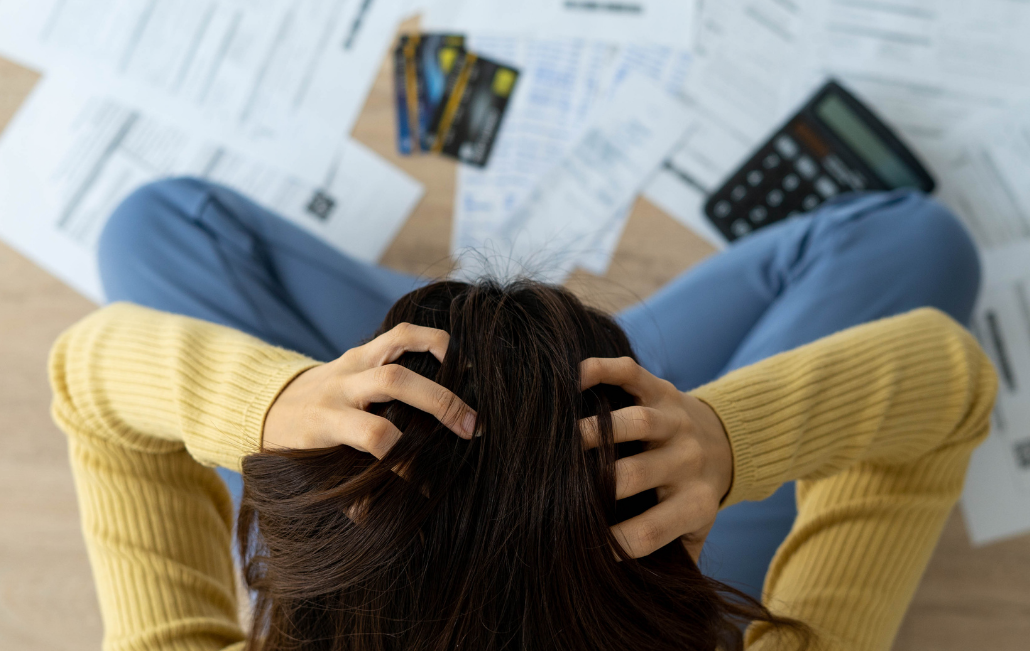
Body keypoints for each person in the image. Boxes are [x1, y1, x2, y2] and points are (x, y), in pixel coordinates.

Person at [49, 178, 997, 651]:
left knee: (153, 225)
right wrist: (728, 437)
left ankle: (500, 381)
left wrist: (277, 403)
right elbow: (951, 386)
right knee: (919, 240)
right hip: (588, 503)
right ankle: (526, 379)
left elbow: (89, 382)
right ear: (681, 578)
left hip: (507, 503)